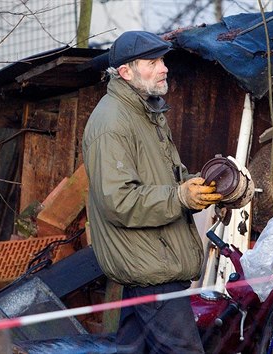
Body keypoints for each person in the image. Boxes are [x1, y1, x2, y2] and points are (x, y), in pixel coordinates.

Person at [82, 30, 223, 354]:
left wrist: (207, 185)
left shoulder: (146, 113)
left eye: (162, 59)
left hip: (147, 262)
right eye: (152, 61)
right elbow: (118, 200)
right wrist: (179, 197)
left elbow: (167, 179)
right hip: (149, 265)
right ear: (125, 72)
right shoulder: (112, 122)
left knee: (134, 349)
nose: (164, 68)